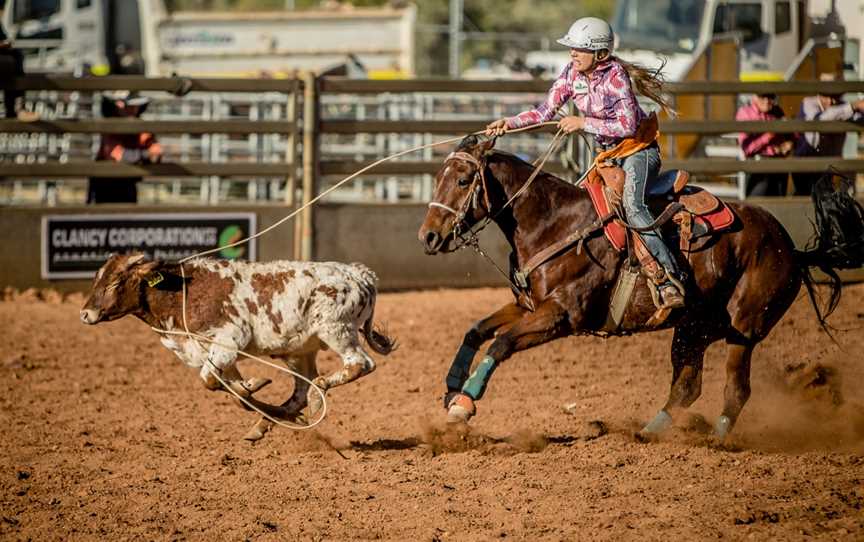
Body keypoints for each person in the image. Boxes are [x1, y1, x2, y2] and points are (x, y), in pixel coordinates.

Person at [486, 17, 685, 309]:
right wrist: (509, 123)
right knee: (581, 207)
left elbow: (628, 125)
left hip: (638, 151)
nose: (572, 53)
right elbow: (544, 112)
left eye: (579, 49)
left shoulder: (616, 76)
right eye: (572, 48)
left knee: (633, 204)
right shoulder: (571, 74)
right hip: (607, 157)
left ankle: (669, 277)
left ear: (600, 54)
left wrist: (583, 122)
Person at [792, 73, 864, 195]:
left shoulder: (842, 106)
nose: (831, 101)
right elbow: (820, 119)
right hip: (807, 163)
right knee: (806, 196)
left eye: (835, 96)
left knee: (825, 195)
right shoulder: (809, 103)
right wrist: (853, 106)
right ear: (819, 94)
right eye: (826, 96)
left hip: (828, 166)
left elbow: (859, 118)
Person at [87, 91, 162, 204]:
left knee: (127, 216)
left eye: (135, 106)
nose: (133, 109)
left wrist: (147, 154)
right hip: (106, 185)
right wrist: (146, 154)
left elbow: (156, 154)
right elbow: (120, 155)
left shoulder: (141, 128)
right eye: (129, 106)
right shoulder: (110, 126)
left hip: (128, 183)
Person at [735, 93, 794, 196]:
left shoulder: (777, 111)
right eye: (762, 97)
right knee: (756, 206)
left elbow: (791, 136)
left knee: (779, 207)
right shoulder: (745, 113)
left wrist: (789, 144)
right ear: (754, 97)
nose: (767, 100)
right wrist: (769, 134)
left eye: (771, 97)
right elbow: (747, 148)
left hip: (779, 166)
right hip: (758, 167)